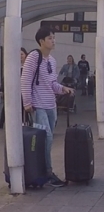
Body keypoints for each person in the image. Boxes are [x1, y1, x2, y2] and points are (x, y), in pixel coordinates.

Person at [20, 28, 75, 187]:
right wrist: (27, 103)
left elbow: (51, 84)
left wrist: (63, 88)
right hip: (38, 106)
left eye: (54, 38)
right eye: (50, 38)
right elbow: (25, 80)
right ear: (41, 41)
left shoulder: (51, 60)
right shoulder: (33, 57)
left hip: (51, 105)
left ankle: (42, 170)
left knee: (47, 140)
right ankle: (48, 172)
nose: (53, 40)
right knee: (47, 137)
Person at [0, 48, 27, 130]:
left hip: (23, 90)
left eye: (22, 54)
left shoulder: (28, 66)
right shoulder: (12, 66)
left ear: (25, 55)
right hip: (12, 90)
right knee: (7, 107)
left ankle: (21, 123)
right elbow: (5, 79)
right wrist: (2, 90)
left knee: (22, 107)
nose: (20, 56)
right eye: (18, 54)